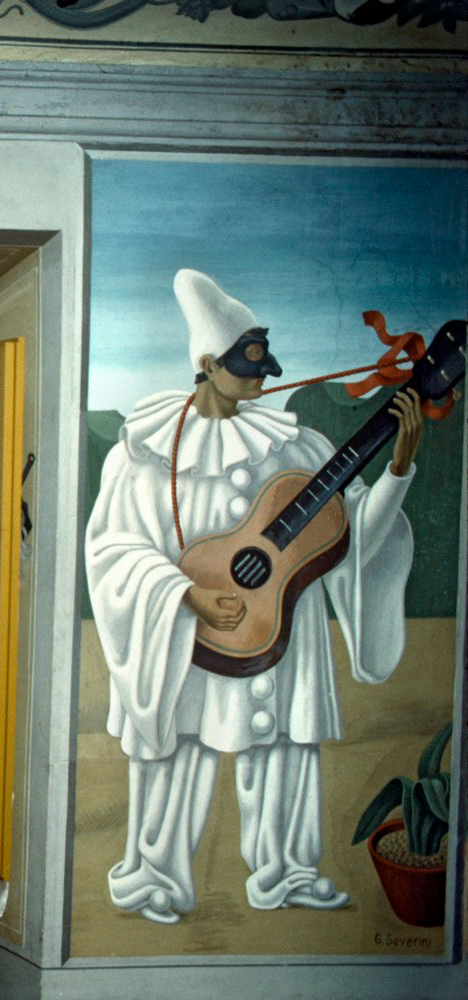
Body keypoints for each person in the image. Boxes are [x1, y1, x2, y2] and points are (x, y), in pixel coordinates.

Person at [85, 268, 421, 925]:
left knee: (283, 744)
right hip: (184, 632)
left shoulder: (298, 446)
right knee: (176, 743)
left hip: (280, 632)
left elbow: (355, 538)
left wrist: (399, 468)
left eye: (265, 365)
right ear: (208, 364)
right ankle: (154, 877)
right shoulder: (142, 454)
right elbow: (111, 550)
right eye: (246, 364)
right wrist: (184, 594)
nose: (262, 378)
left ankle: (287, 870)